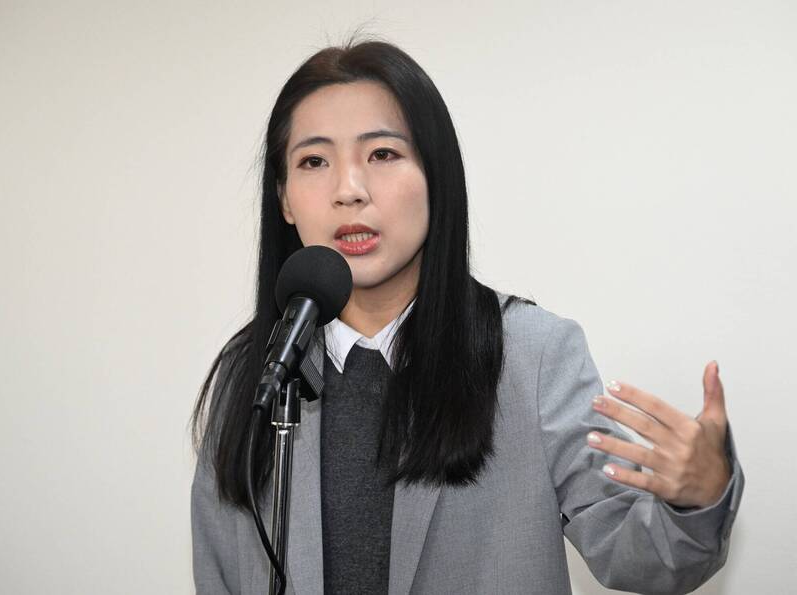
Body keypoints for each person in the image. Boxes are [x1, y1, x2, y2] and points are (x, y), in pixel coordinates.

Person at [190, 37, 744, 595]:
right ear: (284, 199)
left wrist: (698, 496)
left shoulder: (532, 356)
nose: (349, 190)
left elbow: (639, 556)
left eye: (382, 154)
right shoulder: (254, 374)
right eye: (314, 161)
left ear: (437, 175)